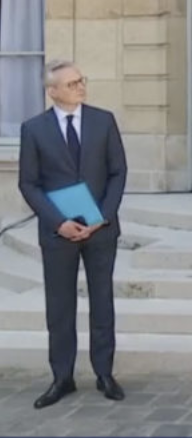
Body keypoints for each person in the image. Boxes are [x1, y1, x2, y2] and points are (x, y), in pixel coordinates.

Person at [17, 59, 128, 409]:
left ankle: (104, 373)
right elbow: (28, 183)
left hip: (100, 230)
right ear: (52, 92)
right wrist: (57, 223)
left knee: (102, 302)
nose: (81, 86)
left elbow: (118, 172)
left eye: (82, 80)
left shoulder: (103, 121)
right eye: (72, 83)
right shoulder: (34, 129)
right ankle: (62, 377)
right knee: (60, 307)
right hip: (58, 233)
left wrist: (103, 217)